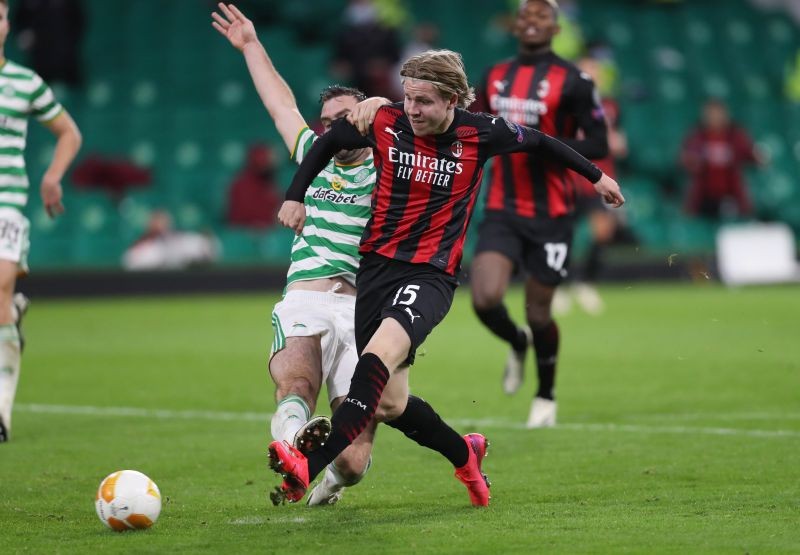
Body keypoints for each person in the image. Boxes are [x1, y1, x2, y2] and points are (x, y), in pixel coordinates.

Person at [268, 48, 624, 505]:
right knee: (390, 404)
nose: (413, 110)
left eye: (425, 102)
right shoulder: (386, 120)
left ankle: (307, 465)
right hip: (376, 269)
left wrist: (596, 176)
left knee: (376, 356)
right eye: (408, 98)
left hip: (431, 274)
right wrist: (295, 195)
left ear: (454, 99)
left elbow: (540, 141)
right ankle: (465, 454)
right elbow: (326, 142)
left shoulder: (482, 132)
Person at [212, 3, 381, 506]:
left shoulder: (390, 171)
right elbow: (279, 104)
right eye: (327, 122)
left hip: (362, 310)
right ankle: (289, 449)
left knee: (352, 464)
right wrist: (250, 44)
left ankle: (330, 481)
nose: (335, 130)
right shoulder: (313, 154)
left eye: (346, 120)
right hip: (304, 298)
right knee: (297, 382)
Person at [468, 0, 609, 428]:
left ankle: (545, 395)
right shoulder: (493, 76)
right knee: (484, 298)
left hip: (553, 213)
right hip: (501, 208)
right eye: (525, 16)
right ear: (515, 25)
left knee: (539, 311)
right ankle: (517, 342)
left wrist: (545, 144)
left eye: (541, 16)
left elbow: (599, 143)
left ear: (556, 26)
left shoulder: (575, 80)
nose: (532, 22)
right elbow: (473, 128)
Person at [0, 0, 82, 443]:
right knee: (1, 306)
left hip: (6, 203)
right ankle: (12, 312)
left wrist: (52, 176)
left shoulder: (23, 82)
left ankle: (1, 407)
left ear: (7, 25)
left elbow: (69, 131)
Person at [556, 55, 632, 316]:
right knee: (562, 234)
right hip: (569, 176)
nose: (592, 76)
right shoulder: (564, 104)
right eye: (586, 72)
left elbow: (620, 143)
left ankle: (586, 284)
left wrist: (616, 142)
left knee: (602, 233)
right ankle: (561, 286)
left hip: (600, 177)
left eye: (595, 72)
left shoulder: (611, 106)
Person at [680, 98, 765, 221]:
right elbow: (686, 159)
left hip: (731, 193)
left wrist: (758, 158)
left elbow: (751, 155)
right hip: (703, 195)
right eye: (711, 114)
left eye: (718, 113)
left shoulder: (736, 135)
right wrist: (691, 161)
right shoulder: (697, 136)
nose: (715, 117)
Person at [122, 209, 219, 271]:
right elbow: (130, 262)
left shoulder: (179, 239)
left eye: (163, 221)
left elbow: (208, 249)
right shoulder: (143, 245)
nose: (160, 225)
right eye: (156, 221)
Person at [226, 143, 280, 229]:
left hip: (268, 232)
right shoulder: (241, 184)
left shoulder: (270, 184)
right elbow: (243, 215)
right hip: (243, 232)